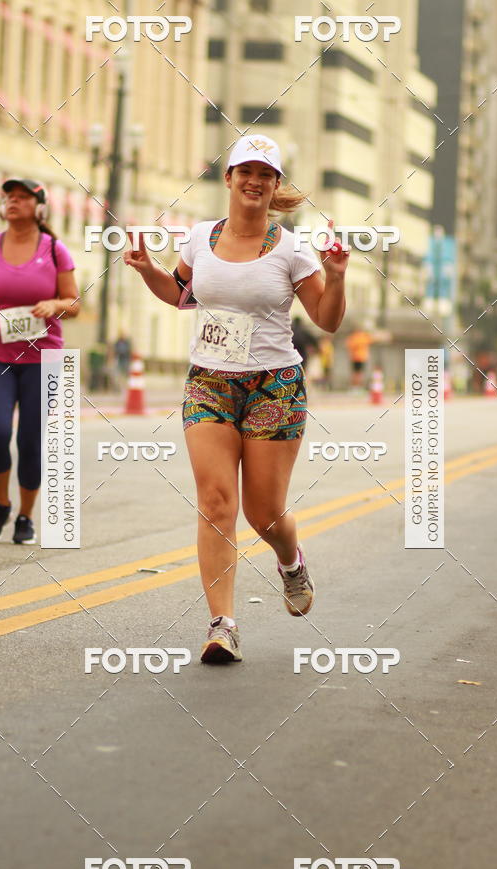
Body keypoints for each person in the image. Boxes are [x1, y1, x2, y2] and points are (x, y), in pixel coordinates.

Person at [124, 134, 350, 663]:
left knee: (264, 514)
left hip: (274, 385)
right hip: (210, 384)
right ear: (228, 179)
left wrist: (337, 277)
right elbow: (182, 295)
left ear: (275, 186)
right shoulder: (201, 239)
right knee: (215, 503)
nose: (254, 181)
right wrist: (148, 269)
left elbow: (328, 319)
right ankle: (222, 624)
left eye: (265, 174)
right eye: (244, 171)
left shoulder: (293, 249)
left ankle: (290, 560)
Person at [0, 177, 79, 544]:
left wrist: (55, 305)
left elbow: (74, 302)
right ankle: (2, 504)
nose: (13, 202)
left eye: (22, 198)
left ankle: (26, 516)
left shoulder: (55, 249)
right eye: (9, 197)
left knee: (30, 441)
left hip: (42, 358)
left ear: (39, 207)